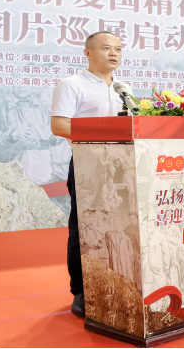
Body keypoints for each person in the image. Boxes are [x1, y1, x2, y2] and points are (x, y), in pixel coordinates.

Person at [50, 31, 129, 317]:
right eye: (106, 48)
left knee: (119, 227)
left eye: (118, 49)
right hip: (88, 164)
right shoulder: (71, 85)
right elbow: (59, 125)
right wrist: (105, 133)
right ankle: (82, 290)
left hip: (122, 167)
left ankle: (116, 282)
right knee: (84, 227)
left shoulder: (122, 88)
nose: (113, 53)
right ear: (88, 53)